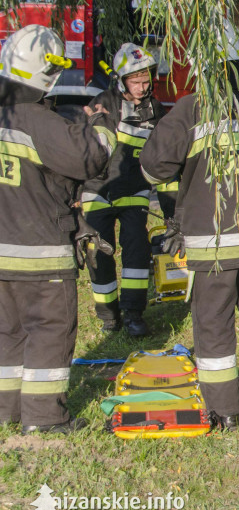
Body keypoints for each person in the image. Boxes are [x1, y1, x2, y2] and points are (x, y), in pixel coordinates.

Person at [139, 28, 239, 430]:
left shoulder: (193, 109)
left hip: (214, 250)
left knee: (213, 323)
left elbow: (153, 165)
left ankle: (224, 411)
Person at [0, 24, 116, 434]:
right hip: (40, 256)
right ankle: (45, 419)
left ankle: (8, 410)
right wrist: (101, 124)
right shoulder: (38, 121)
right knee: (49, 330)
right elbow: (91, 159)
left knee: (8, 333)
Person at [81, 43, 171, 336]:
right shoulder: (102, 103)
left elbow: (162, 156)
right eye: (136, 81)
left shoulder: (154, 110)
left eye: (147, 81)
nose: (143, 87)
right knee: (99, 253)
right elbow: (82, 153)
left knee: (136, 249)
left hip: (134, 190)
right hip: (98, 189)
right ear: (121, 80)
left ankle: (133, 313)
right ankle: (109, 316)